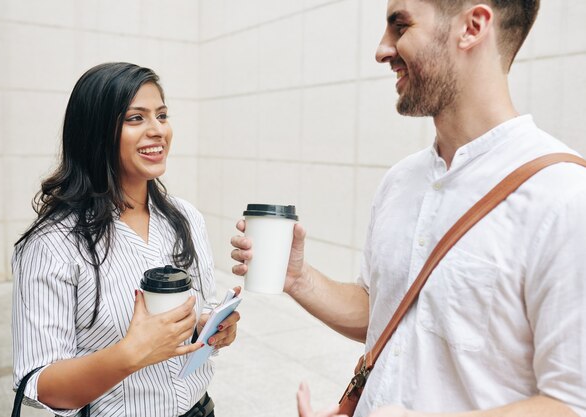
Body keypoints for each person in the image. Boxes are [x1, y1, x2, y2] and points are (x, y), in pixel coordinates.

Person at [231, 1, 586, 416]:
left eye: (399, 26)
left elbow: (570, 402)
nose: (382, 50)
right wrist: (298, 278)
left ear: (472, 26)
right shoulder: (401, 180)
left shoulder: (565, 197)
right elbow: (382, 310)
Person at [12, 62, 240, 417]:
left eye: (162, 116)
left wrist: (209, 327)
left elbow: (200, 309)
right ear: (96, 131)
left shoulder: (186, 218)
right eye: (136, 118)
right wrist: (130, 353)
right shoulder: (52, 244)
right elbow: (40, 383)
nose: (158, 131)